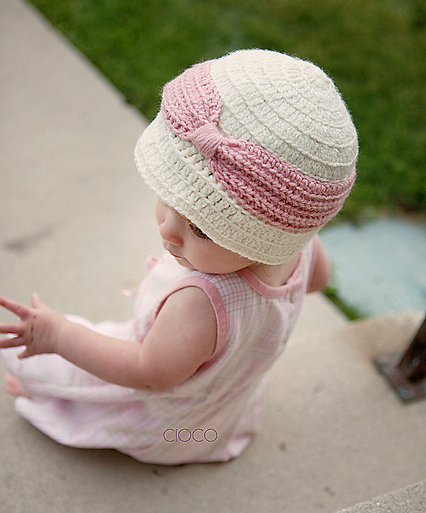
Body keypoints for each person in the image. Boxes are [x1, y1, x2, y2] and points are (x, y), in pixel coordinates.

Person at [0, 49, 358, 464]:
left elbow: (148, 373)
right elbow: (316, 281)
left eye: (201, 228)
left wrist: (58, 337)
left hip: (168, 421)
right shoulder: (299, 244)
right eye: (169, 199)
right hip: (220, 406)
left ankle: (64, 403)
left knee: (58, 356)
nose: (167, 230)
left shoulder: (201, 303)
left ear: (262, 239)